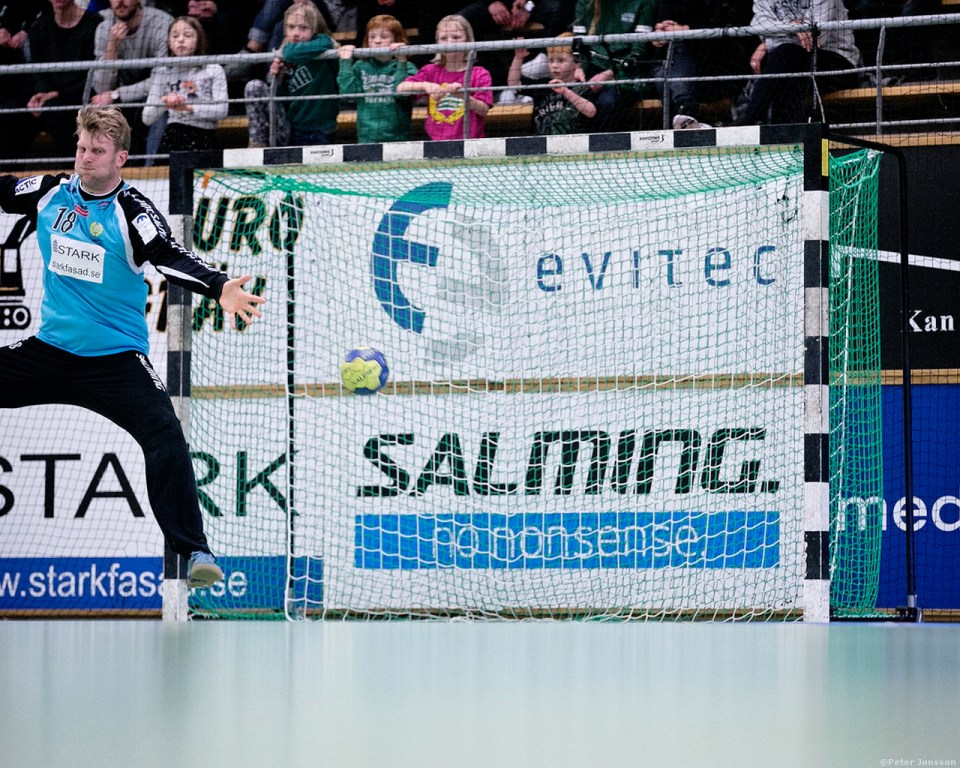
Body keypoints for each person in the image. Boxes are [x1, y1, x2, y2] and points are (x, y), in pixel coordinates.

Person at [0, 107, 266, 588]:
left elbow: (167, 255)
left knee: (164, 432)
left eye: (97, 151)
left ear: (120, 158)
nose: (85, 158)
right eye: (82, 148)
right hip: (51, 350)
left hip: (116, 360)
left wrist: (219, 285)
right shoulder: (49, 193)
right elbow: (4, 191)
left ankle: (195, 550)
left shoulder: (132, 210)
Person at [733, 0, 859, 125]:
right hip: (793, 68)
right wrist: (791, 27)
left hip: (838, 66)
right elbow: (760, 28)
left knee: (786, 54)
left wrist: (770, 41)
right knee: (788, 77)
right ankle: (781, 133)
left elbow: (815, 40)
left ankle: (749, 117)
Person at [244, 1, 339, 147]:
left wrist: (284, 52)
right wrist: (279, 78)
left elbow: (291, 52)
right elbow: (283, 98)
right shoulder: (287, 52)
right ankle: (257, 144)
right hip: (293, 126)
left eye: (303, 28)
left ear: (314, 28)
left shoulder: (323, 42)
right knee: (254, 86)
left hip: (320, 128)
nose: (295, 33)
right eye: (291, 27)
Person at [89, 0, 174, 157]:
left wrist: (118, 94)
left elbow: (164, 79)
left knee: (159, 108)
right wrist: (112, 47)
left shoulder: (162, 23)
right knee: (97, 110)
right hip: (121, 99)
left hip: (154, 94)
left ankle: (152, 167)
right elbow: (101, 87)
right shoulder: (104, 27)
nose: (120, 2)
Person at [651, 0, 754, 129]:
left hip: (714, 59)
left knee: (669, 67)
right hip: (675, 59)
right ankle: (685, 114)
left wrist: (685, 30)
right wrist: (660, 31)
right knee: (665, 71)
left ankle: (684, 113)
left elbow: (726, 23)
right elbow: (662, 21)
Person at [27, 1, 104, 157]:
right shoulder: (38, 28)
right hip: (52, 99)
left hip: (86, 94)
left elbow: (96, 76)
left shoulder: (96, 23)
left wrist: (59, 94)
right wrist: (41, 93)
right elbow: (38, 72)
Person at [397, 15, 493, 140]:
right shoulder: (430, 71)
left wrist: (463, 96)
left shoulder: (480, 73)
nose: (450, 42)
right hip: (435, 142)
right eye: (443, 38)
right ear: (437, 42)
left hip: (470, 141)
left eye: (456, 37)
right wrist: (426, 85)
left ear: (468, 40)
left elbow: (484, 110)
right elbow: (401, 88)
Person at [142, 16, 228, 152]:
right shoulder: (162, 72)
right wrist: (165, 103)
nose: (181, 39)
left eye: (187, 35)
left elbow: (222, 111)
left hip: (205, 135)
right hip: (174, 134)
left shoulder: (214, 69)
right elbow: (146, 117)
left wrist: (188, 107)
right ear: (169, 43)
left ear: (199, 39)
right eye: (175, 36)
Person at [571, 0, 658, 133]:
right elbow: (578, 47)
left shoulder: (643, 3)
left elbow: (639, 50)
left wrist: (610, 73)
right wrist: (579, 68)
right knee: (575, 103)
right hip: (592, 69)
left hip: (626, 74)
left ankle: (607, 143)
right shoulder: (584, 3)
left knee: (607, 102)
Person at [337, 15, 418, 144]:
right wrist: (345, 62)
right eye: (372, 37)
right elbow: (348, 94)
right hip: (366, 137)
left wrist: (401, 61)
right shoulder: (360, 66)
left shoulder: (408, 67)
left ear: (396, 39)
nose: (377, 41)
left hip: (398, 137)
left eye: (384, 37)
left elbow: (401, 94)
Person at [507, 32, 597, 134]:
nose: (554, 65)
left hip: (573, 140)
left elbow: (591, 112)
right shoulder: (543, 85)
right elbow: (513, 84)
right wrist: (518, 57)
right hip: (542, 140)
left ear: (576, 61)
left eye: (561, 60)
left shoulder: (581, 86)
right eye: (551, 60)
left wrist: (566, 92)